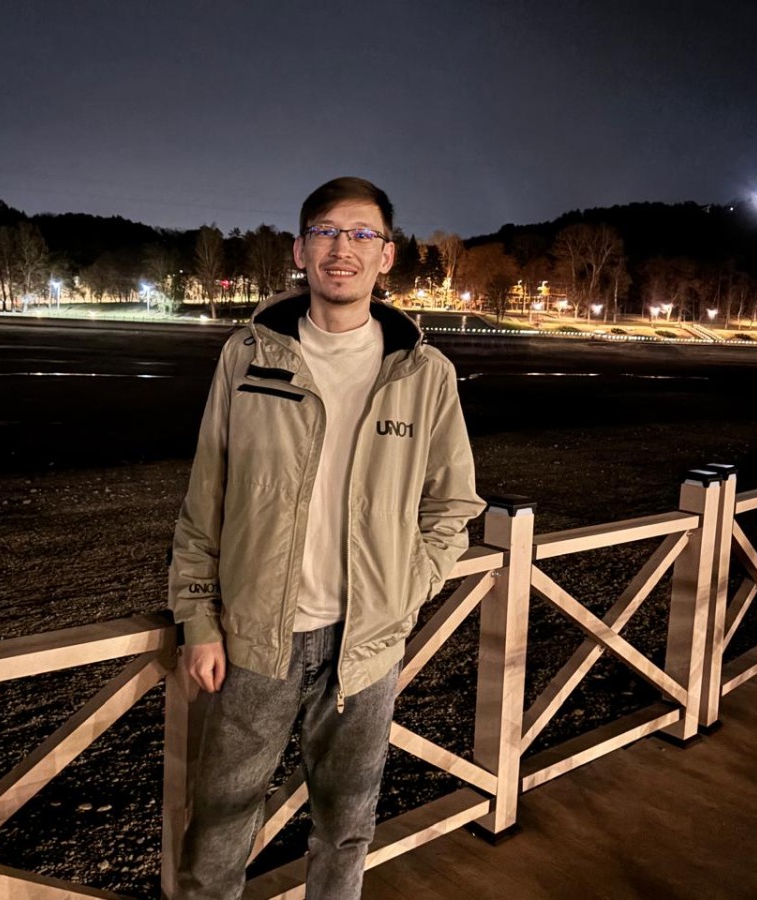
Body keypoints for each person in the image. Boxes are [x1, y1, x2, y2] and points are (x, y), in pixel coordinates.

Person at [168, 176, 484, 899]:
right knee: (217, 831)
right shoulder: (249, 356)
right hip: (253, 640)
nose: (343, 248)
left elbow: (453, 503)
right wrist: (198, 620)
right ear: (300, 250)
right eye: (327, 232)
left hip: (365, 649)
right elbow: (204, 501)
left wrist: (411, 584)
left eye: (362, 234)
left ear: (387, 256)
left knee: (345, 829)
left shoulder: (424, 372)